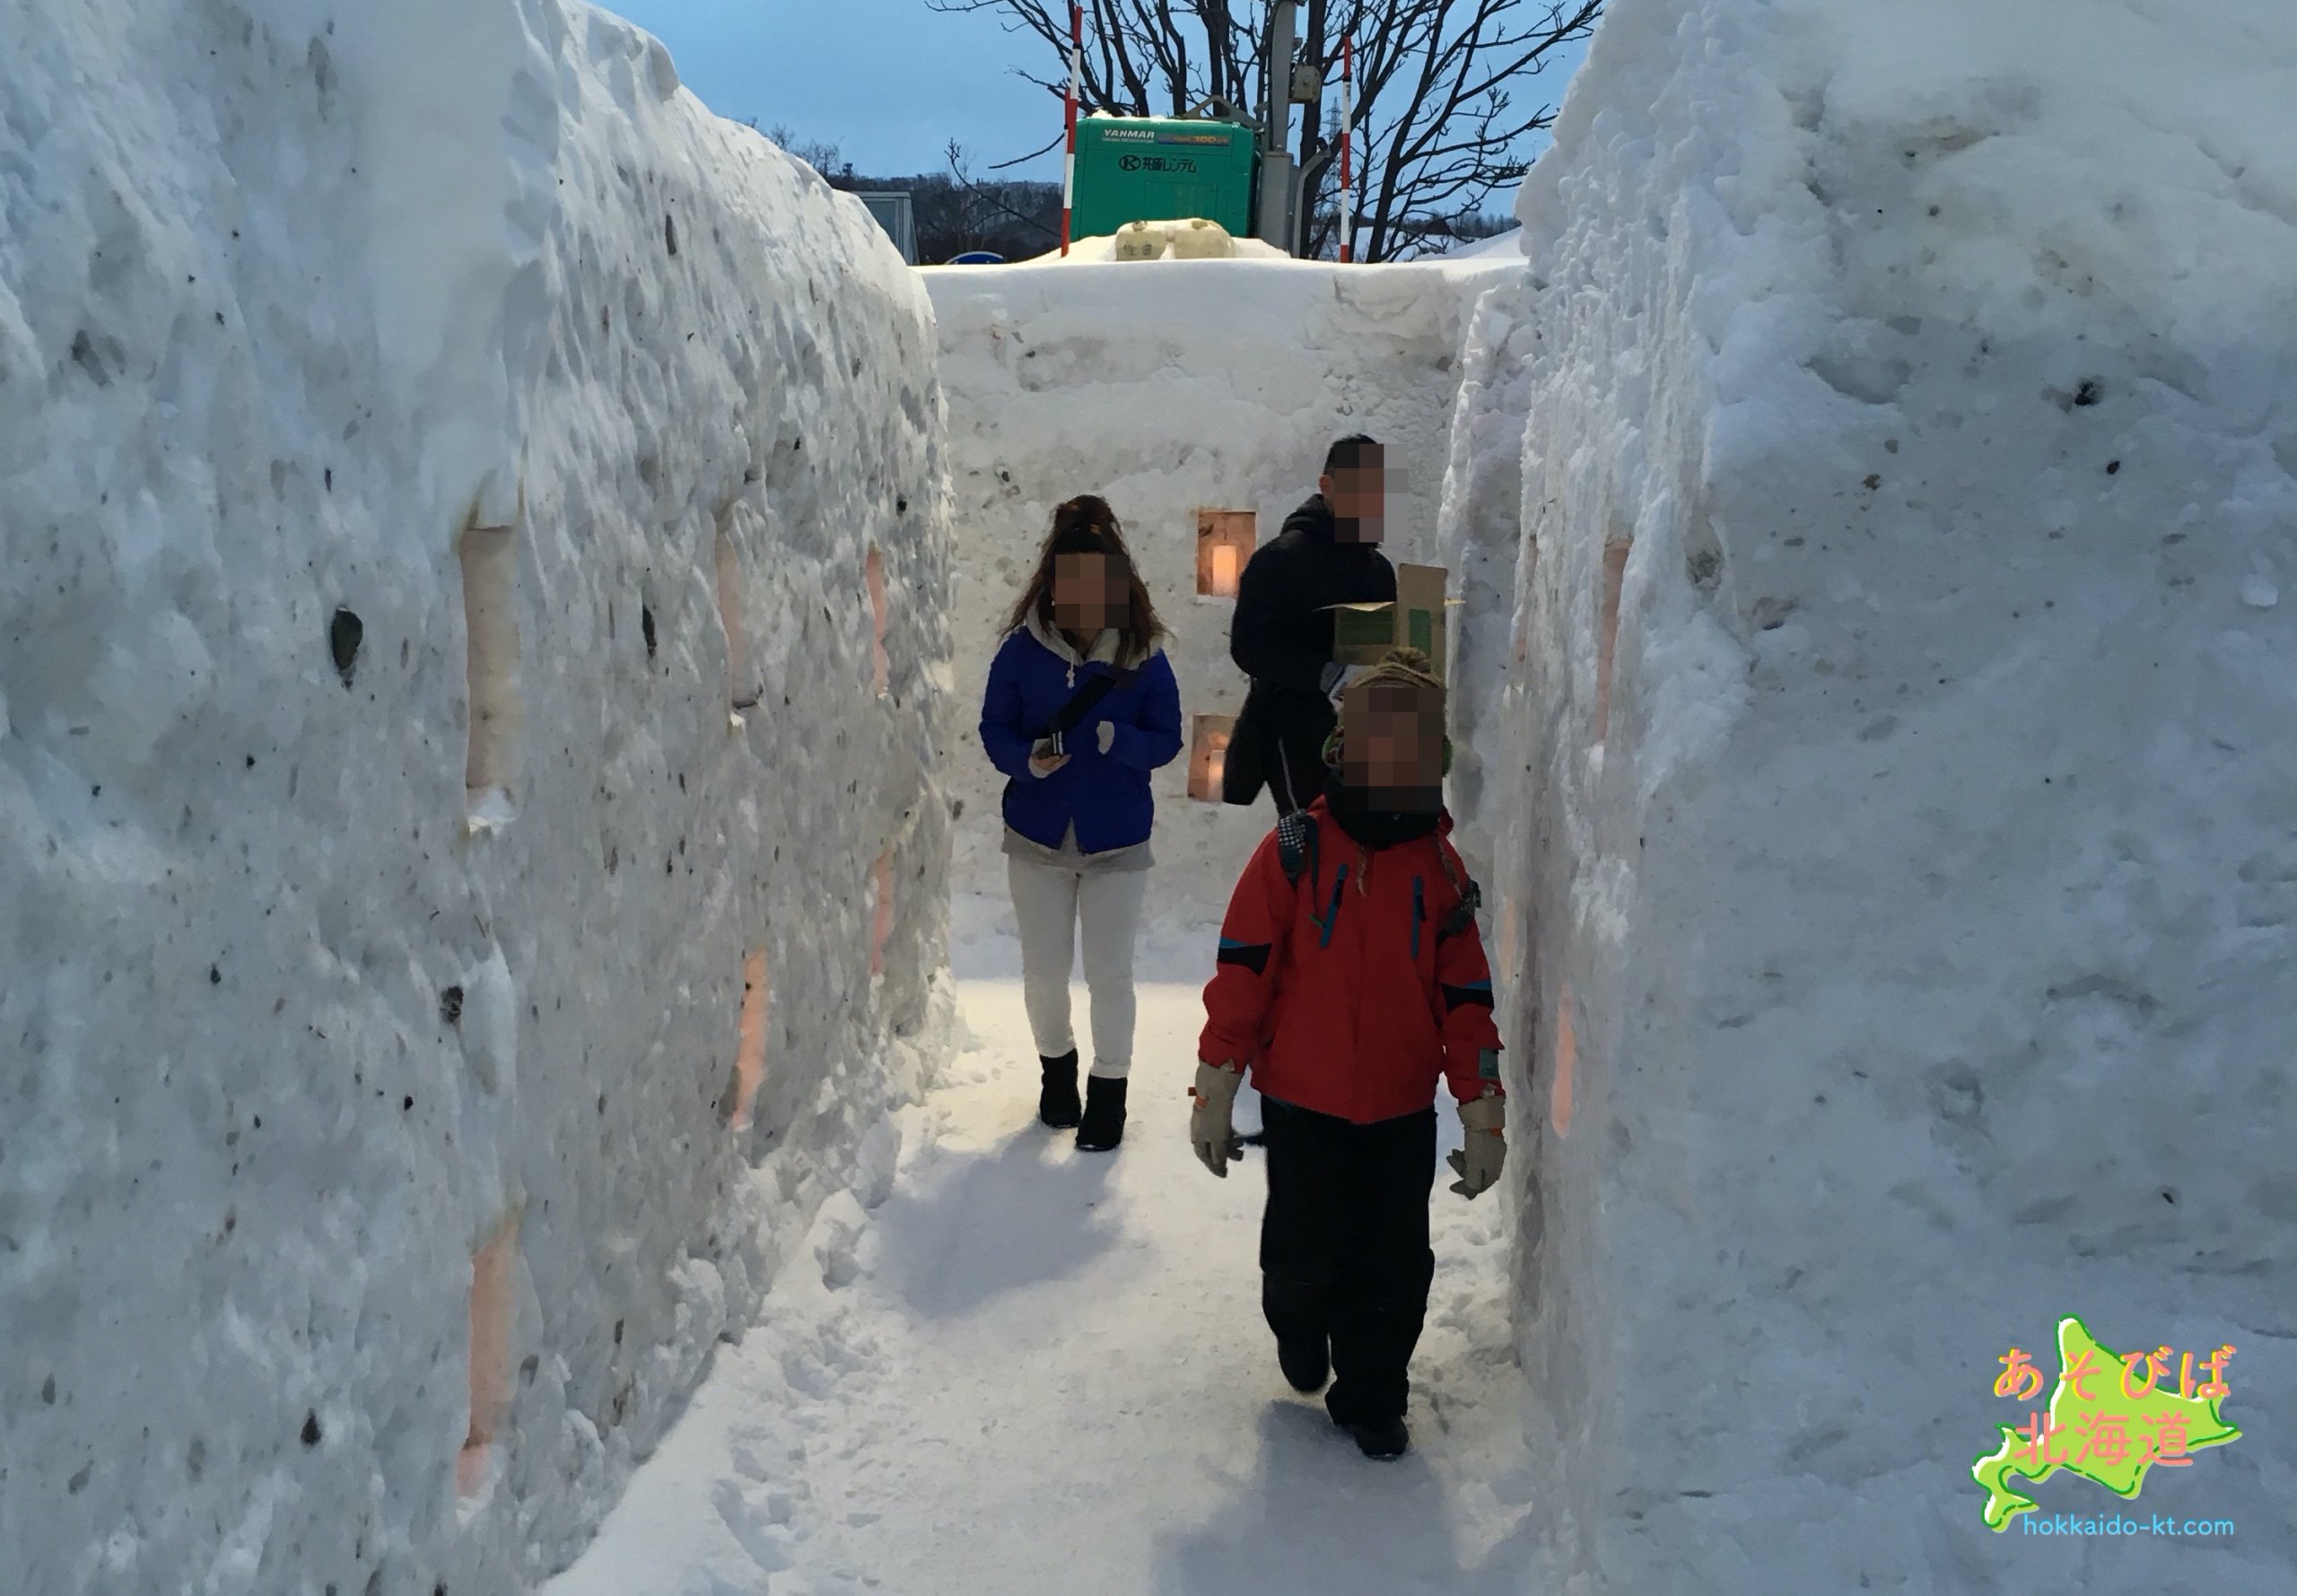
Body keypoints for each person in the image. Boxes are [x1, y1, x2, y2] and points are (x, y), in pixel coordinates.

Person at [1190, 649, 1507, 1461]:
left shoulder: (1440, 871)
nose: (1394, 755)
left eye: (1412, 739)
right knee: (1304, 1253)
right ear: (1345, 747)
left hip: (1400, 1111)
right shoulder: (1295, 849)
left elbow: (1466, 999)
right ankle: (1297, 1326)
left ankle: (1374, 1394)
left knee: (1395, 1267)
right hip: (1303, 1103)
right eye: (1378, 736)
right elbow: (1245, 970)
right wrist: (1216, 1086)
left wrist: (1481, 1110)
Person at [980, 496, 1183, 1152]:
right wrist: (1027, 762)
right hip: (1036, 834)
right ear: (1053, 584)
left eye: (1097, 586)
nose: (1083, 598)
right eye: (1071, 584)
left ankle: (1110, 1090)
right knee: (1043, 970)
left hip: (1116, 837)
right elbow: (996, 728)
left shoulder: (1143, 656)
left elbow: (1167, 738)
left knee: (1110, 972)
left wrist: (1115, 738)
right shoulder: (1021, 652)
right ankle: (1057, 1071)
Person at [1222, 434, 1399, 816]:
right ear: (1327, 486)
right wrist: (1327, 674)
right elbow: (1250, 644)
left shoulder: (1378, 569)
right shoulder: (1279, 559)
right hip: (1294, 731)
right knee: (1315, 845)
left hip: (1368, 735)